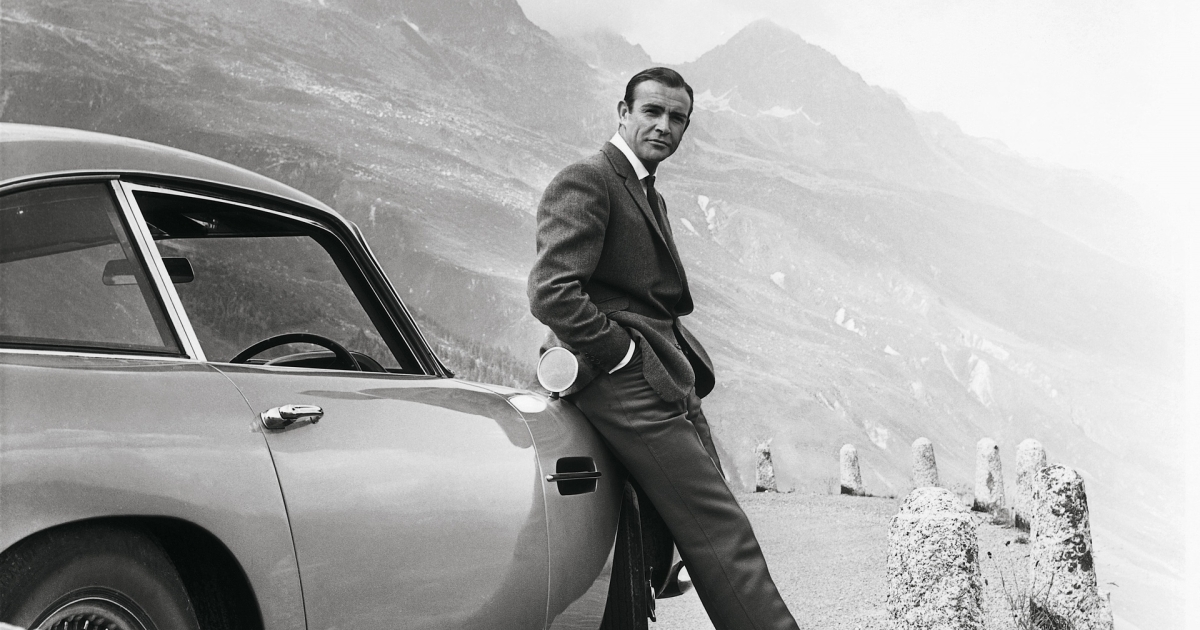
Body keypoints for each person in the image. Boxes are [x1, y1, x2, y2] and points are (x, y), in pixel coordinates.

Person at [527, 67, 800, 630]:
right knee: (719, 527)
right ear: (622, 112)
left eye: (678, 118)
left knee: (708, 510)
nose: (664, 126)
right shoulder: (588, 179)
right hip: (621, 377)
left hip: (663, 370)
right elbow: (552, 291)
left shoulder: (647, 190)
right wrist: (622, 354)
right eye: (652, 111)